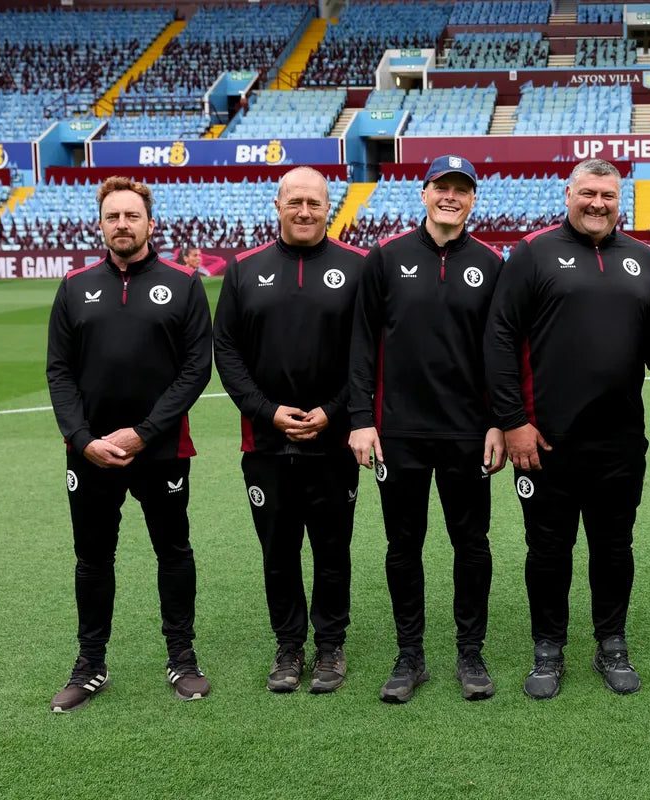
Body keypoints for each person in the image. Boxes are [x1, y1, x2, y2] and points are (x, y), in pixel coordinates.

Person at [484, 158, 650, 700]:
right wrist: (513, 421)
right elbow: (499, 337)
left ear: (619, 200)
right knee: (547, 550)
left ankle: (611, 642)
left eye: (608, 195)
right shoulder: (534, 252)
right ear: (569, 195)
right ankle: (548, 648)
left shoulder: (641, 257)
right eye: (588, 193)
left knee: (614, 547)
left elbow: (649, 342)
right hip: (546, 441)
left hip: (619, 440)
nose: (597, 204)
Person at [45, 176, 213, 712]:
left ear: (150, 223)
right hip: (90, 453)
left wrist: (143, 433)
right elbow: (59, 371)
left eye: (131, 216)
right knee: (93, 559)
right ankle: (90, 663)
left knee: (174, 551)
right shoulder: (75, 286)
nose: (122, 224)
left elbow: (196, 370)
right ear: (101, 224)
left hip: (161, 450)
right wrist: (82, 440)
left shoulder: (183, 283)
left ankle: (182, 656)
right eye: (113, 216)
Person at [347, 155, 506, 703]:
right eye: (442, 186)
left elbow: (500, 350)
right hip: (400, 432)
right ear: (424, 193)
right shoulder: (387, 257)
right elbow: (362, 344)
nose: (450, 196)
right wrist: (361, 420)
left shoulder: (491, 263)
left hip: (468, 432)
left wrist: (497, 422)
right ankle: (409, 655)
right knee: (403, 545)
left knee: (472, 544)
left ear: (472, 200)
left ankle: (470, 653)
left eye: (461, 189)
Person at [213, 166, 367, 694]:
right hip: (265, 441)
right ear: (277, 205)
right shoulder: (244, 268)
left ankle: (331, 645)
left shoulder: (357, 266)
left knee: (332, 549)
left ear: (329, 207)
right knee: (278, 552)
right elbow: (226, 350)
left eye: (314, 203)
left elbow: (367, 353)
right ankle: (288, 645)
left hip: (334, 440)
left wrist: (334, 410)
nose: (304, 211)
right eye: (295, 202)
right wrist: (266, 411)